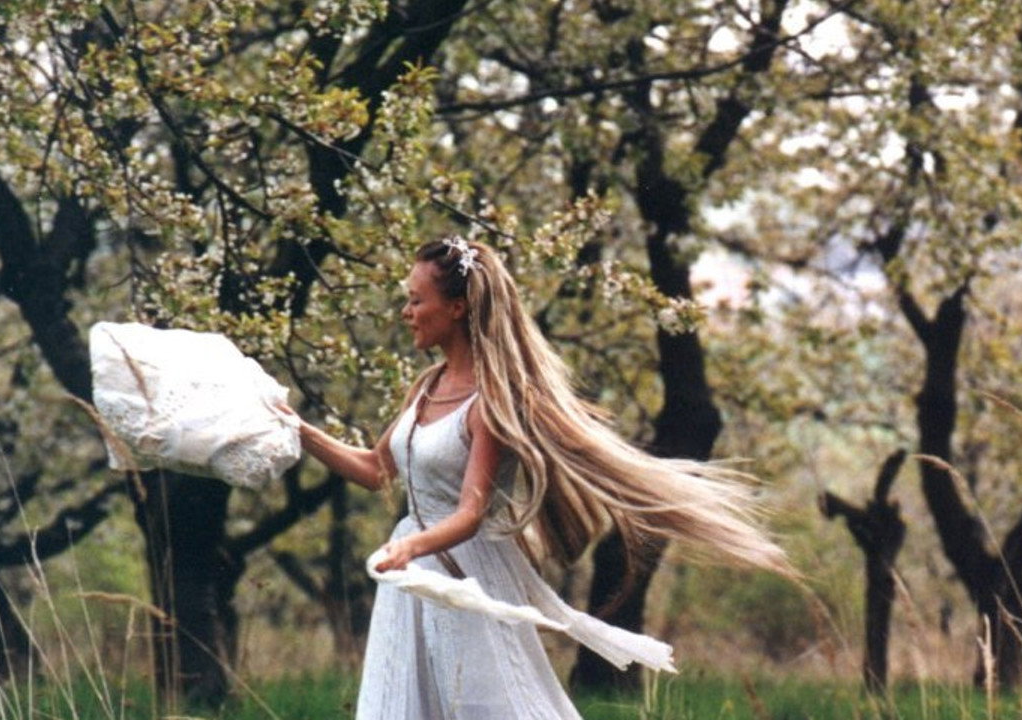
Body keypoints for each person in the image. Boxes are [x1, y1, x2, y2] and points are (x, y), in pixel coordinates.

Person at [283, 237, 794, 720]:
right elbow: (376, 470)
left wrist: (412, 547)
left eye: (416, 301)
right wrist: (298, 429)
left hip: (467, 569)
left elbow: (470, 513)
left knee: (486, 702)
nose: (406, 312)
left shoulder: (490, 403)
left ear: (457, 308)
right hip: (411, 569)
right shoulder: (427, 385)